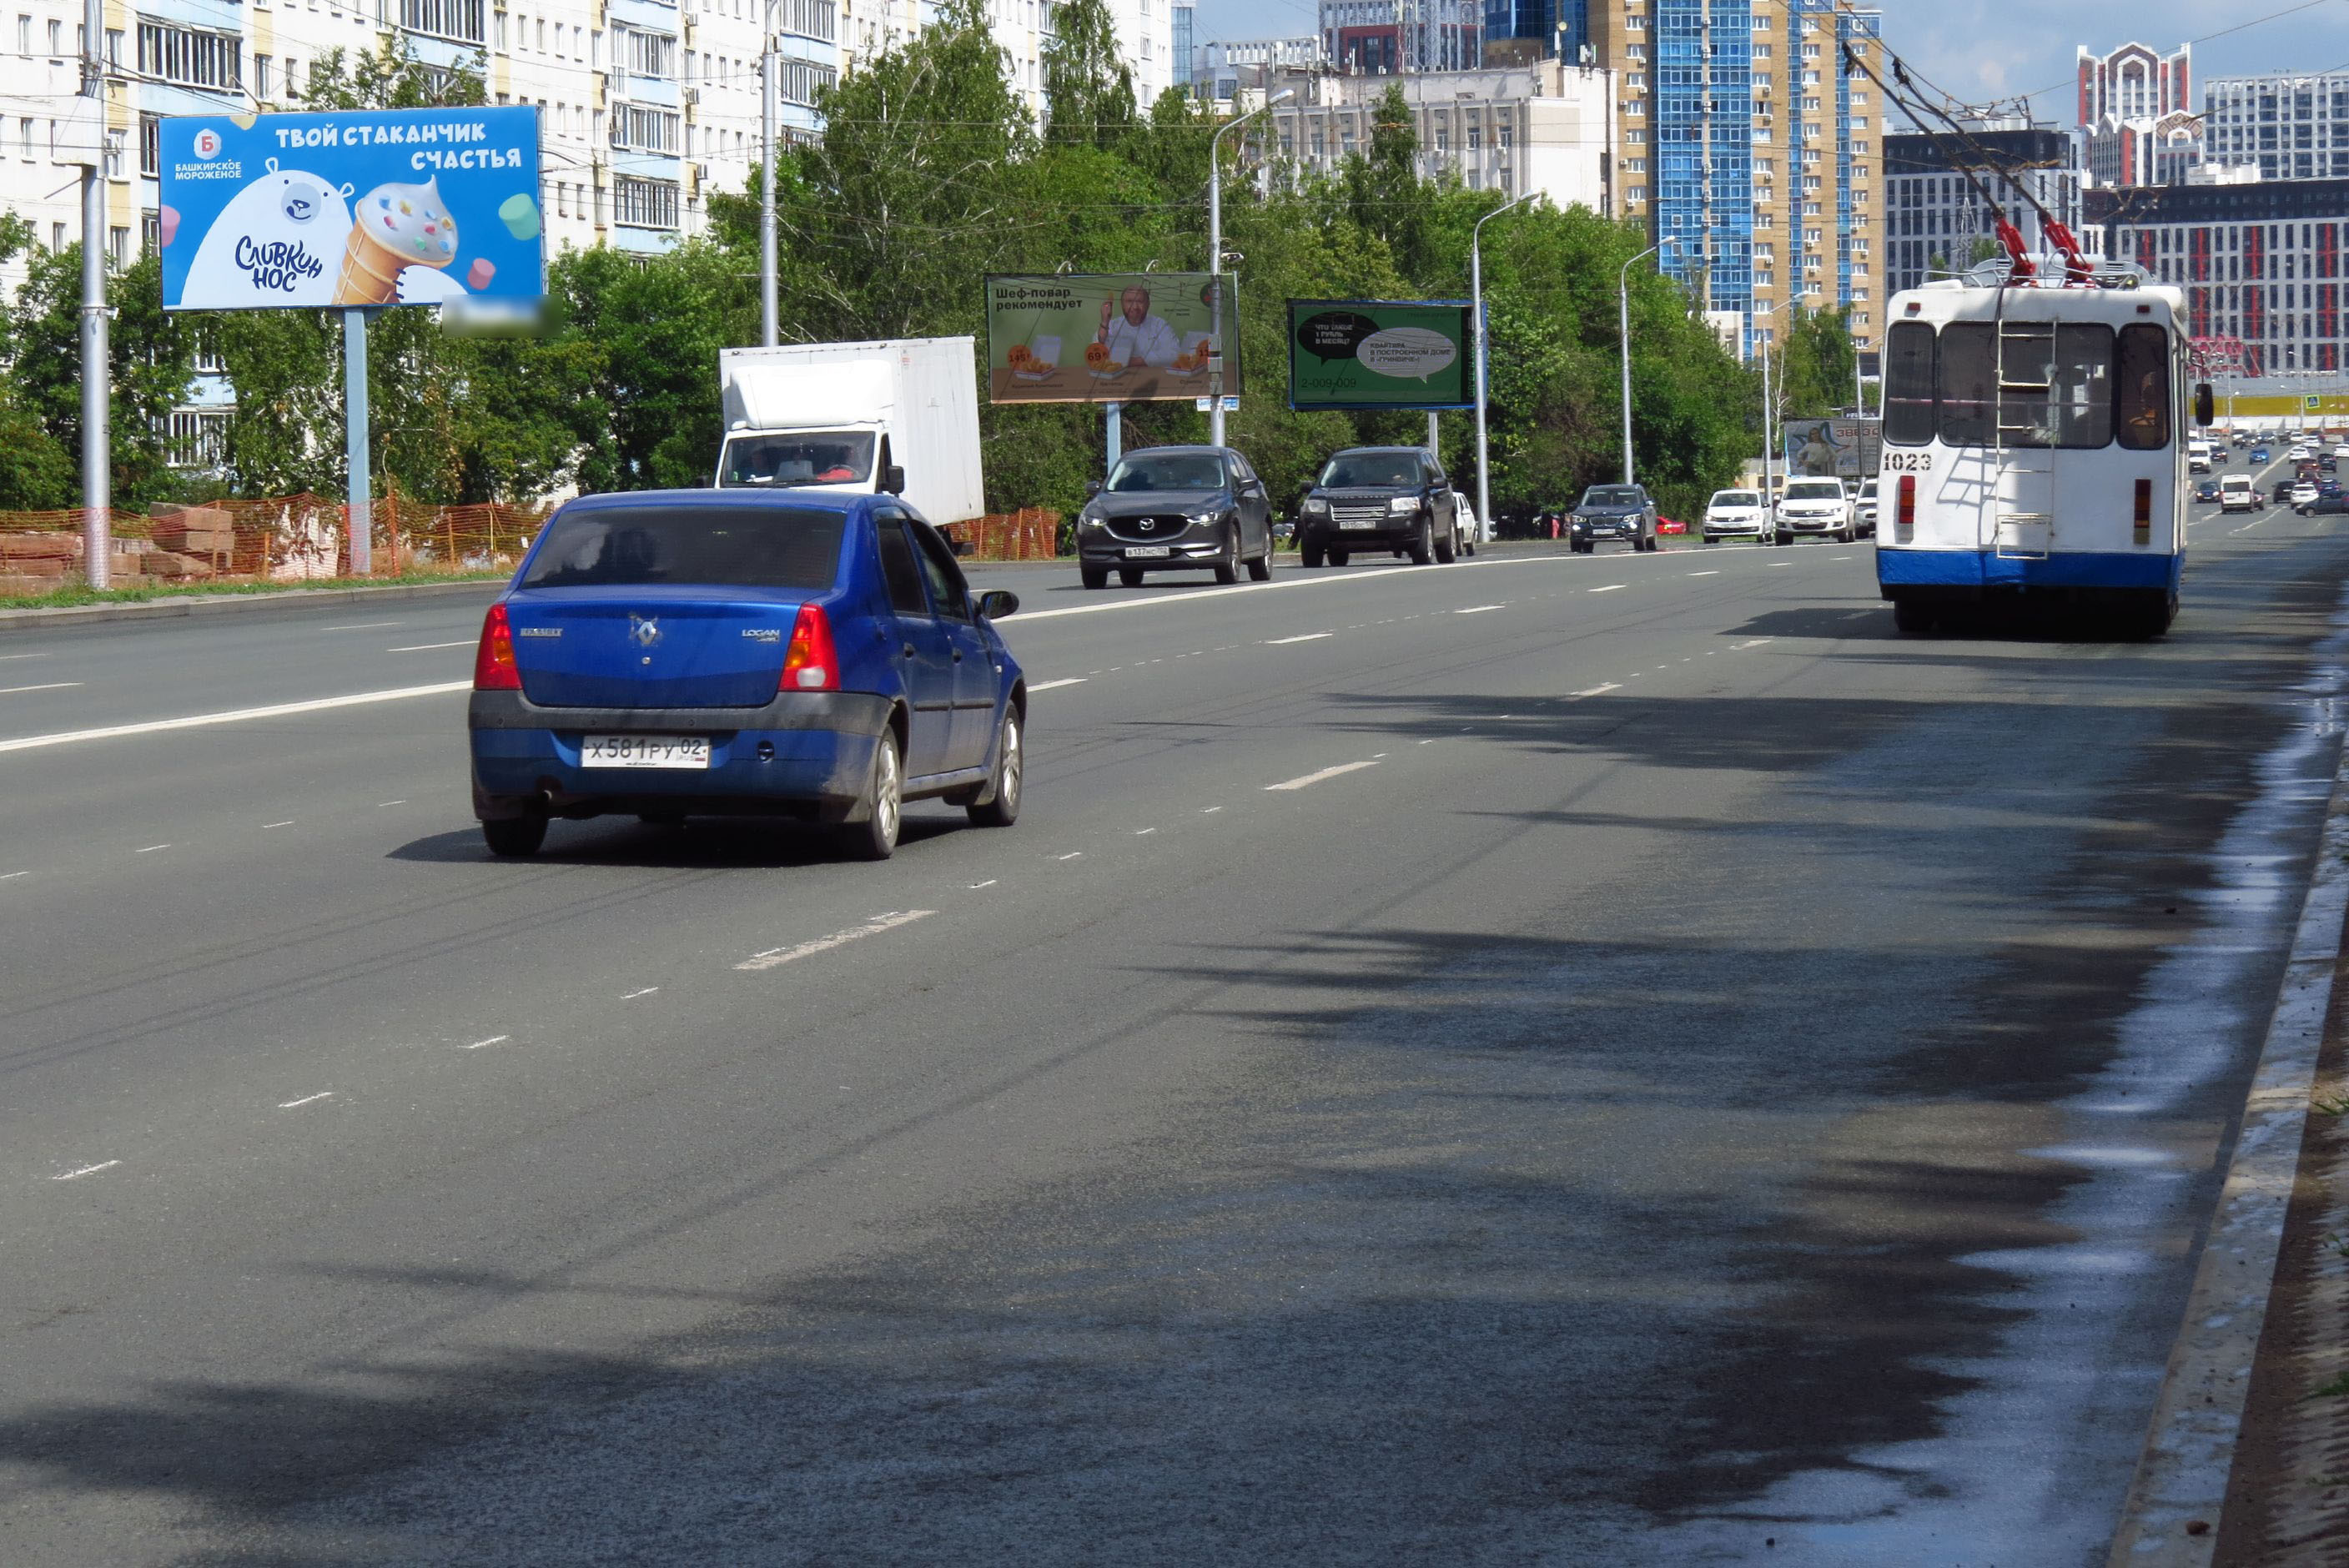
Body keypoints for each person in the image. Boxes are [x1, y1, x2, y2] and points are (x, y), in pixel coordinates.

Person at [1097, 284, 1180, 369]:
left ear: (1148, 304)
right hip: (1119, 379)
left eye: (1140, 301)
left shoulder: (1160, 325)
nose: (1135, 307)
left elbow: (1174, 355)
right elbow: (1096, 353)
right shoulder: (1112, 325)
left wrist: (1131, 362)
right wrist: (1104, 322)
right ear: (1122, 304)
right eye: (1129, 301)